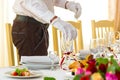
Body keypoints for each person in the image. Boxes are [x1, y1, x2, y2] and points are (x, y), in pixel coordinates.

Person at [12, 0, 82, 58]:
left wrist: (67, 4)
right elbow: (31, 3)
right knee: (34, 70)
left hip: (38, 26)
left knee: (41, 68)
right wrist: (56, 21)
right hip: (28, 27)